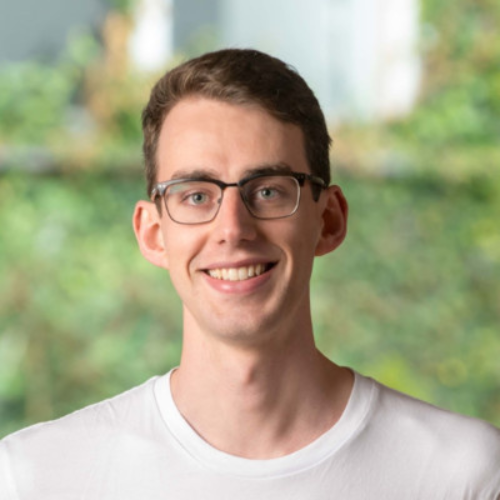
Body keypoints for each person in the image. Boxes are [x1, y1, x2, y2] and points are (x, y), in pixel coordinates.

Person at [1, 48, 499, 499]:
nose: (233, 230)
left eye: (268, 191)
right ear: (153, 233)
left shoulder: (466, 476)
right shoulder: (37, 479)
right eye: (196, 195)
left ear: (329, 220)